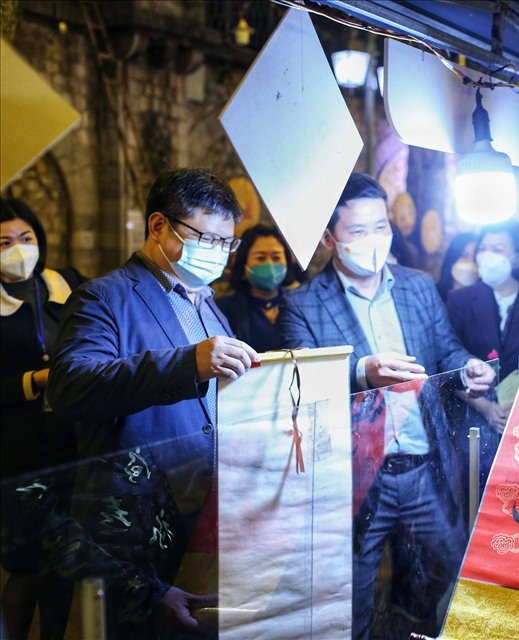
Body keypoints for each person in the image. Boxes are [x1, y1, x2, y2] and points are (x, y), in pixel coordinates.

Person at [277, 173, 495, 640]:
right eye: (358, 232)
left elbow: (446, 351)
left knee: (454, 575)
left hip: (424, 471)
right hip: (355, 480)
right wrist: (361, 374)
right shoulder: (303, 306)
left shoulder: (417, 286)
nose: (373, 240)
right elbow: (298, 388)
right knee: (349, 600)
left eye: (382, 227)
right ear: (329, 238)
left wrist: (468, 370)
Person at [45, 168, 259, 639]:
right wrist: (187, 363)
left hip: (201, 514)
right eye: (205, 237)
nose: (217, 253)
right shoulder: (105, 297)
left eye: (227, 243)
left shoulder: (207, 304)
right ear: (158, 226)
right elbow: (71, 386)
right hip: (136, 520)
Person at [1, 198, 85, 640]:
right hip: (18, 453)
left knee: (65, 565)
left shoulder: (66, 283)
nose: (19, 249)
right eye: (5, 242)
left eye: (26, 238)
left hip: (71, 444)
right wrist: (34, 380)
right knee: (27, 566)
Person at [446, 220, 519, 491]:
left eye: (498, 248)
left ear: (516, 257)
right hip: (476, 421)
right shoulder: (461, 301)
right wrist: (487, 409)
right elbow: (446, 361)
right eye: (483, 248)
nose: (487, 255)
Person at [216, 224, 304, 352]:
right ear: (244, 263)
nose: (270, 264)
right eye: (260, 258)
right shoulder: (222, 310)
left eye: (276, 257)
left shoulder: (302, 303)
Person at [436, 231, 478, 302]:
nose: (470, 262)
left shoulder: (485, 299)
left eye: (474, 257)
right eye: (464, 256)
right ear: (453, 258)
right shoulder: (434, 295)